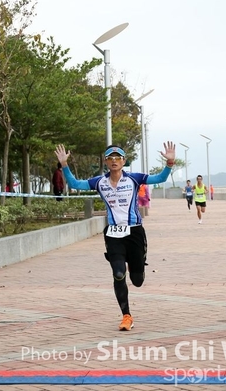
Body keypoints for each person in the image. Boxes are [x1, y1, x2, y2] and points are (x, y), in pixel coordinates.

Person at [54, 141, 176, 331]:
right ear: (105, 161)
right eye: (110, 158)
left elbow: (159, 178)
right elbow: (75, 183)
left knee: (137, 281)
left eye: (118, 158)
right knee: (118, 274)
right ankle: (126, 316)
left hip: (134, 232)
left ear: (124, 161)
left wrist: (169, 163)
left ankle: (135, 264)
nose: (114, 161)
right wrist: (64, 165)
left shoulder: (134, 179)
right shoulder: (100, 182)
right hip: (113, 234)